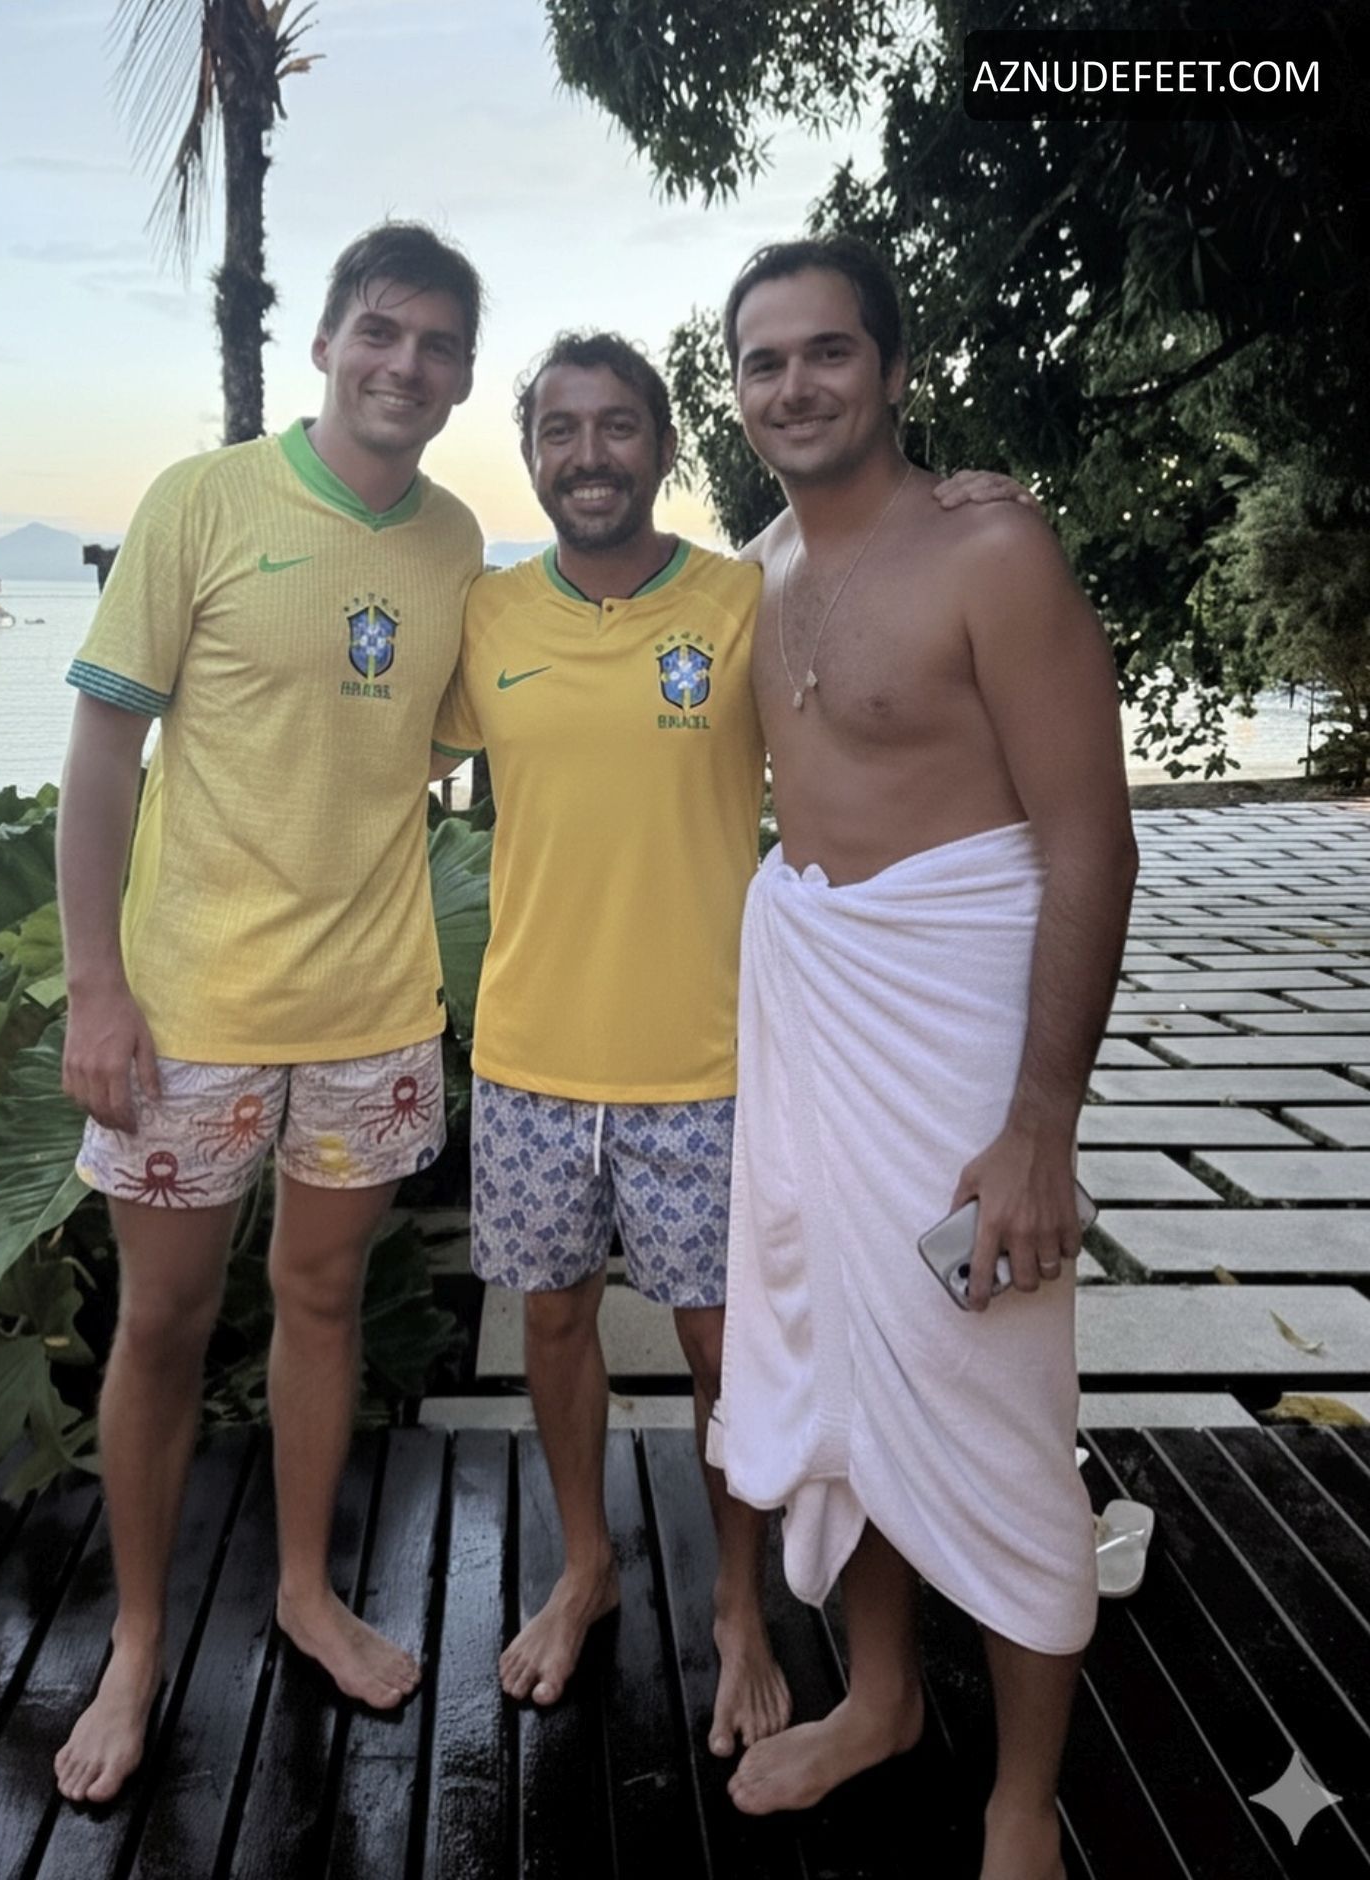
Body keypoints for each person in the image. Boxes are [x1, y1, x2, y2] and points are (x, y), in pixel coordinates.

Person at [429, 331, 1030, 1756]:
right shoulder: (488, 617)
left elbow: (854, 573)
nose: (589, 454)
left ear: (660, 445)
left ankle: (741, 1607)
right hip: (528, 1056)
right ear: (531, 455)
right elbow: (375, 751)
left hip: (711, 1062)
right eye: (561, 429)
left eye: (617, 426)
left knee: (727, 1354)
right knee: (553, 1324)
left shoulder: (740, 595)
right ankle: (586, 1567)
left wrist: (957, 499)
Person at [710, 236, 1137, 1880]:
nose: (796, 385)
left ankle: (1021, 1799)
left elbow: (1091, 842)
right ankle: (881, 1697)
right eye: (763, 362)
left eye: (828, 351)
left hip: (963, 1050)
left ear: (893, 369)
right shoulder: (754, 579)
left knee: (998, 1403)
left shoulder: (991, 551)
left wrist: (1042, 1123)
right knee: (843, 1373)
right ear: (735, 393)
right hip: (818, 1034)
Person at [52, 222, 483, 1805]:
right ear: (324, 341)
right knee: (162, 1324)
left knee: (323, 1304)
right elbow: (102, 756)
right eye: (382, 331)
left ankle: (305, 1592)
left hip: (372, 1012)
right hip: (191, 1014)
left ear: (462, 378)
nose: (405, 366)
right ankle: (139, 1640)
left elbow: (446, 734)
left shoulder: (455, 542)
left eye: (438, 346)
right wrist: (98, 988)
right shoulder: (204, 501)